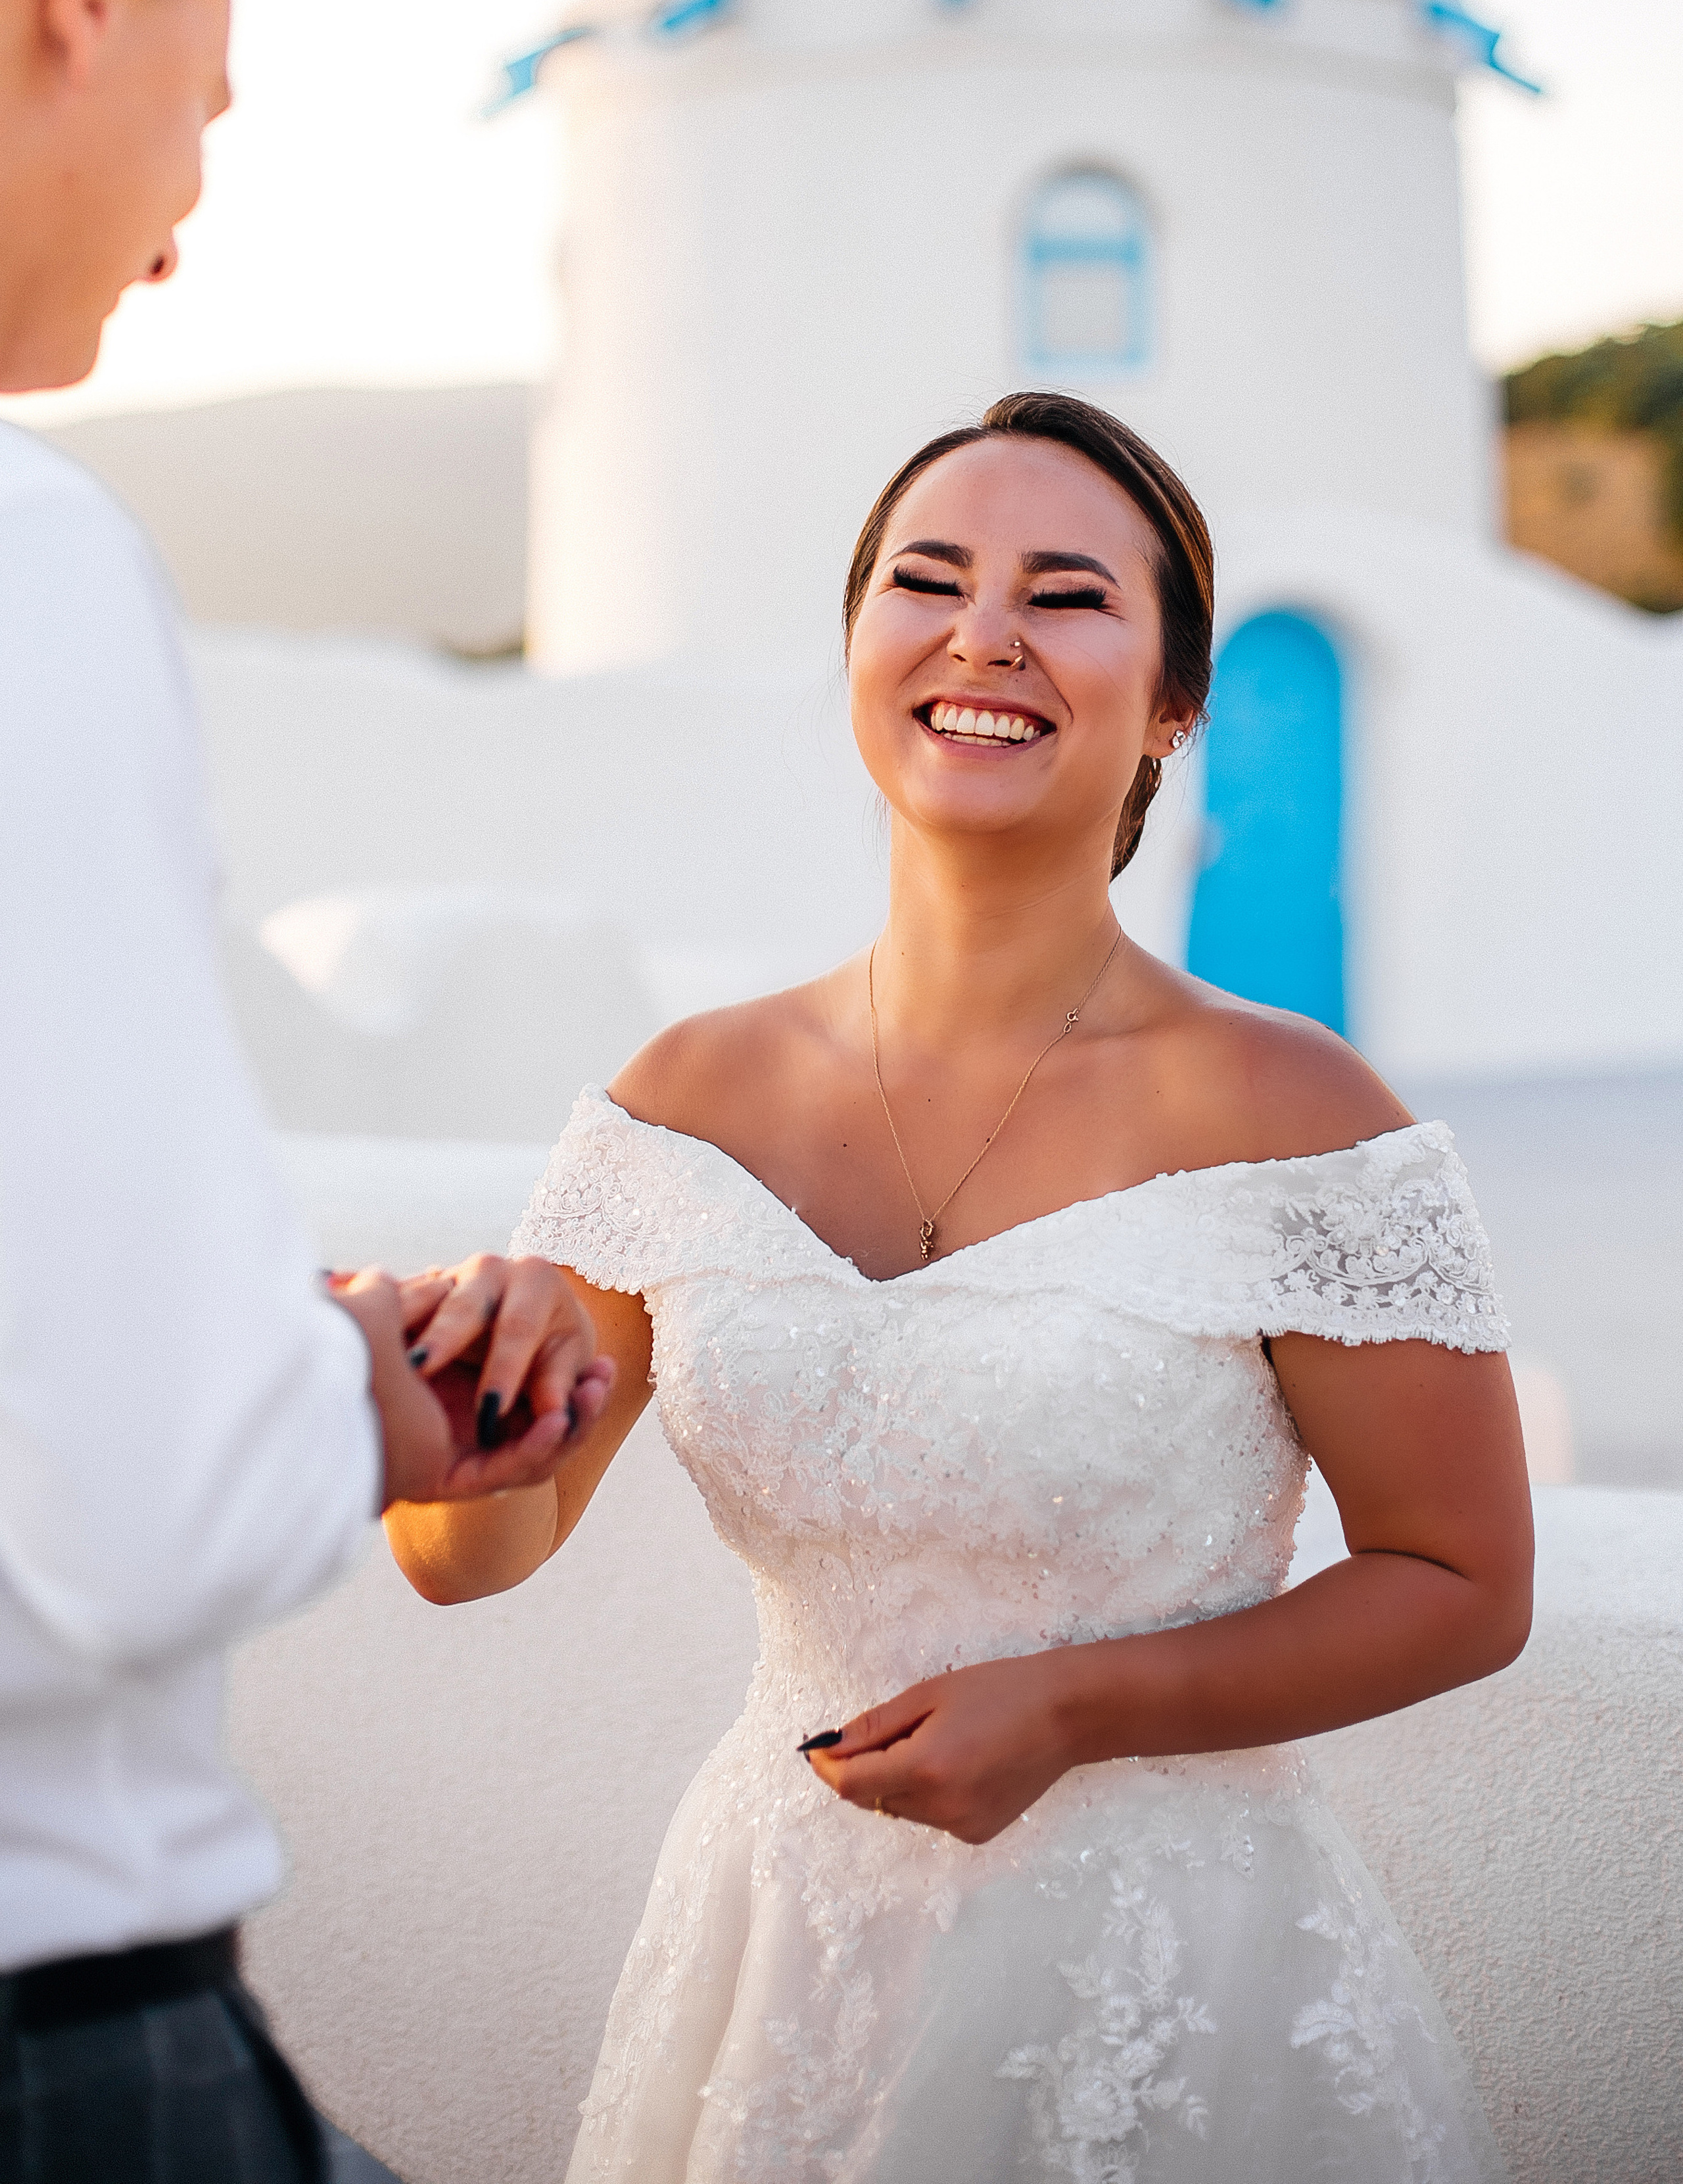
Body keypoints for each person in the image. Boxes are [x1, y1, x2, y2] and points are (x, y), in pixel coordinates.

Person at [391, 389, 1533, 2181]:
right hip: (784, 1947)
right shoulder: (682, 1099)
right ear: (859, 646)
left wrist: (1078, 1705)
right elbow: (484, 1550)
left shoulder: (1302, 1115)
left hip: (1175, 1982)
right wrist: (445, 1429)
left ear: (1175, 699)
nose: (984, 634)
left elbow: (1462, 1582)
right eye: (927, 581)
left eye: (1067, 596)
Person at [0, 0, 613, 2183]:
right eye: (211, 103)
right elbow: (143, 1499)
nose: (189, 208)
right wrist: (350, 1392)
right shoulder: (28, 565)